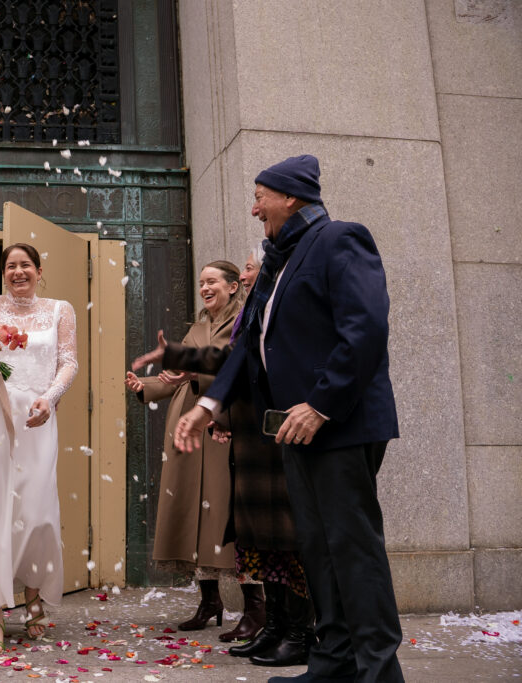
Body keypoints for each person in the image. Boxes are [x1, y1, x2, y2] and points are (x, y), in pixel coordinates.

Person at [173, 155, 403, 683]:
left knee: (352, 549)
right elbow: (245, 348)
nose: (254, 209)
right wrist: (208, 405)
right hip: (293, 432)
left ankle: (379, 673)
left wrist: (321, 403)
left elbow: (365, 329)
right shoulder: (279, 261)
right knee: (318, 553)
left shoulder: (341, 239)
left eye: (260, 196)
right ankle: (334, 664)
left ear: (292, 197)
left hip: (341, 423)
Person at [137, 244, 312, 665]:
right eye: (250, 267)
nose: (249, 274)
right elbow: (233, 362)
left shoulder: (273, 305)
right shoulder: (254, 311)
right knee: (260, 534)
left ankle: (301, 631)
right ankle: (275, 626)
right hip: (240, 428)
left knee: (283, 536)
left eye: (251, 268)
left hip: (277, 427)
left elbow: (248, 362)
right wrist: (174, 372)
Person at [0, 243, 78, 655]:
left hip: (37, 418)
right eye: (11, 266)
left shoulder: (61, 309)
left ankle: (32, 596)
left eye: (25, 265)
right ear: (3, 272)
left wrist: (51, 396)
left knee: (36, 513)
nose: (18, 272)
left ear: (39, 270)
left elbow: (69, 361)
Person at [126, 261, 256, 637]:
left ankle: (256, 607)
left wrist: (191, 372)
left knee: (228, 516)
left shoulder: (243, 324)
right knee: (193, 519)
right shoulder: (197, 328)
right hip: (186, 432)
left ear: (234, 287)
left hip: (223, 427)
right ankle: (209, 601)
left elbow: (233, 371)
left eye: (211, 281)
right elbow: (175, 380)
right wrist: (145, 387)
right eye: (200, 282)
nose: (204, 288)